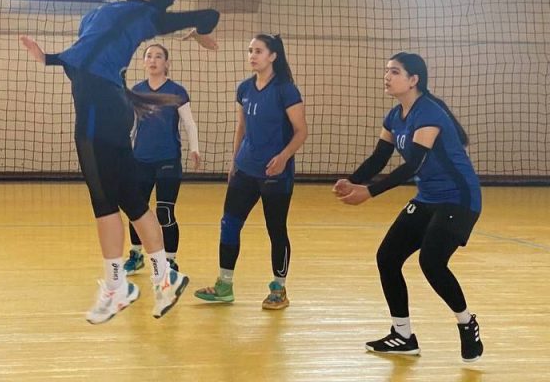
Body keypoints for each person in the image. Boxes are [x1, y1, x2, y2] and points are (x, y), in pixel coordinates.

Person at [19, 0, 219, 323]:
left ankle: (116, 287)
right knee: (130, 198)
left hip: (100, 107)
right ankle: (164, 278)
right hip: (105, 103)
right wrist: (46, 58)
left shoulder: (146, 15)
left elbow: (210, 14)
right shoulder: (112, 12)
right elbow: (86, 53)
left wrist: (201, 33)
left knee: (104, 199)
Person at [333, 52, 483, 362]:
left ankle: (466, 322)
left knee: (432, 262)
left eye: (395, 72)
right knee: (387, 257)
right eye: (387, 71)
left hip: (459, 198)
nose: (387, 76)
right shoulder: (394, 116)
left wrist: (369, 192)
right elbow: (379, 158)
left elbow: (413, 164)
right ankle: (402, 335)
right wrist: (352, 181)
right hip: (427, 198)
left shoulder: (428, 113)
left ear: (414, 80)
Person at [194, 34, 308, 310]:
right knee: (229, 224)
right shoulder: (244, 88)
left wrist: (283, 157)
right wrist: (234, 162)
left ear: (272, 56)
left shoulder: (286, 90)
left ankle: (279, 289)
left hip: (274, 173)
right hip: (245, 169)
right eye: (250, 51)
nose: (252, 56)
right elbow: (241, 128)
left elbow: (301, 131)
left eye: (258, 51)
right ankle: (224, 285)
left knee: (276, 230)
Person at [122, 43, 200, 277]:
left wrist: (194, 149)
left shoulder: (176, 91)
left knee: (165, 212)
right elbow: (131, 125)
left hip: (168, 160)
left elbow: (189, 123)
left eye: (158, 56)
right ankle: (136, 255)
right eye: (149, 56)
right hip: (140, 160)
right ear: (144, 62)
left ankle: (170, 261)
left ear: (166, 63)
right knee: (137, 210)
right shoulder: (137, 90)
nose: (153, 60)